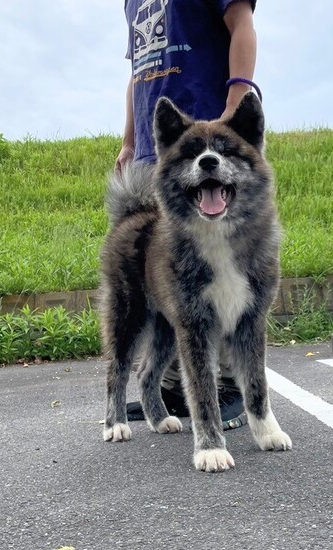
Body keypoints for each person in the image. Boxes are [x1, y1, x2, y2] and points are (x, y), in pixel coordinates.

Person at [118, 0, 259, 429]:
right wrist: (130, 141)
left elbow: (241, 23)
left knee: (226, 267)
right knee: (170, 279)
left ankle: (230, 386)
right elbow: (139, 71)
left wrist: (237, 97)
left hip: (210, 134)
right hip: (158, 150)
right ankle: (171, 388)